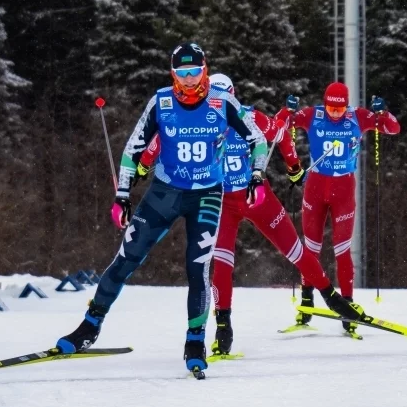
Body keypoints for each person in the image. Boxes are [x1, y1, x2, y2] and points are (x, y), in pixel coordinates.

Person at [55, 43, 269, 377]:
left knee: (197, 267)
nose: (187, 80)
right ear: (173, 74)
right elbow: (133, 147)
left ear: (205, 70)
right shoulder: (162, 102)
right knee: (127, 257)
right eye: (181, 74)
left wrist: (257, 176)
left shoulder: (221, 102)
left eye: (194, 72)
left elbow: (258, 139)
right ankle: (89, 327)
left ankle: (195, 340)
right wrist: (123, 194)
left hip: (207, 195)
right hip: (165, 192)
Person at [138, 74, 368, 356]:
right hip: (222, 201)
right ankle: (224, 328)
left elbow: (282, 132)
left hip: (255, 197)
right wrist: (143, 165)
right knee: (222, 261)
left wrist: (294, 166)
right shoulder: (197, 121)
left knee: (293, 249)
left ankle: (332, 298)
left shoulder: (248, 117)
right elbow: (160, 140)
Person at [276, 82, 401, 338]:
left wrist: (382, 113)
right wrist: (286, 111)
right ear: (325, 102)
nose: (335, 112)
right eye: (331, 107)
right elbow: (280, 126)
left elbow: (393, 128)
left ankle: (347, 305)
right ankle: (307, 303)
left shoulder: (358, 116)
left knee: (342, 250)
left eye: (340, 108)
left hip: (344, 189)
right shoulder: (314, 114)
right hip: (316, 188)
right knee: (311, 248)